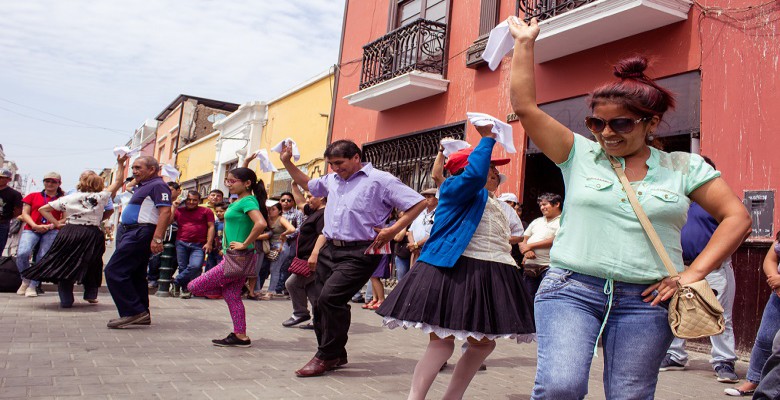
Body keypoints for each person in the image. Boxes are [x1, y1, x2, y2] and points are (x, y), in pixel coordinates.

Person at [507, 17, 752, 399]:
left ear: (650, 122)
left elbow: (737, 217)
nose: (607, 133)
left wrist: (694, 273)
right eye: (596, 123)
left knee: (630, 395)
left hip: (647, 300)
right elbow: (525, 107)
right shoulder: (579, 154)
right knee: (560, 386)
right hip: (572, 288)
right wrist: (524, 43)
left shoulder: (683, 167)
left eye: (620, 123)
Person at [377, 126, 535, 400]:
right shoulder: (454, 189)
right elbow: (465, 177)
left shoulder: (498, 203)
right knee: (441, 344)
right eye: (490, 168)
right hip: (456, 270)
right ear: (470, 169)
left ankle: (452, 397)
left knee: (483, 345)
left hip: (492, 273)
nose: (496, 173)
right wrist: (487, 137)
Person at [280, 139, 426, 377]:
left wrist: (393, 229)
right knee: (320, 301)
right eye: (332, 164)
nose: (336, 168)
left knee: (330, 298)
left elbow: (417, 202)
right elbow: (307, 183)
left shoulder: (381, 179)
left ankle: (325, 356)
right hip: (330, 249)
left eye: (340, 162)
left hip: (361, 251)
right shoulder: (332, 181)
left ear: (356, 157)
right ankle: (336, 353)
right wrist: (287, 163)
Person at [660, 158, 739, 384]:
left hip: (712, 269)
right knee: (675, 312)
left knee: (720, 314)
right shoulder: (678, 198)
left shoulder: (718, 200)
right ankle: (676, 356)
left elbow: (738, 229)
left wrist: (719, 258)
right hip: (677, 267)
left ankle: (724, 361)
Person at [23, 156, 127, 308]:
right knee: (93, 262)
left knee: (65, 262)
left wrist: (56, 223)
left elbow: (43, 209)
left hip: (70, 231)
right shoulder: (102, 196)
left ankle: (66, 299)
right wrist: (120, 164)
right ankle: (90, 294)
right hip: (92, 232)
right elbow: (118, 182)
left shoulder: (69, 197)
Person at [187, 168, 267, 347]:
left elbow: (261, 223)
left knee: (194, 286)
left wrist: (244, 244)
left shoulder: (247, 200)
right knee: (232, 296)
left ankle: (234, 295)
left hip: (239, 256)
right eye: (227, 181)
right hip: (234, 256)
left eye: (233, 181)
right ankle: (241, 336)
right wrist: (245, 162)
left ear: (246, 183)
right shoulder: (240, 199)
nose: (229, 184)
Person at [104, 156, 172, 329]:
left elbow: (165, 212)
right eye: (133, 168)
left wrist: (158, 238)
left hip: (140, 232)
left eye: (138, 168)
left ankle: (133, 312)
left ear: (151, 169)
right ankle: (141, 312)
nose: (134, 171)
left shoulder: (158, 185)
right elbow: (126, 185)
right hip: (132, 231)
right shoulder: (144, 185)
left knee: (114, 270)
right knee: (135, 273)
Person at [724, 231, 780, 396]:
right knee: (765, 338)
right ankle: (753, 380)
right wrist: (774, 278)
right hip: (777, 294)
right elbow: (771, 258)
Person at [282, 191, 327, 327]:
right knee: (313, 290)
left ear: (322, 197)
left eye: (310, 196)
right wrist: (294, 185)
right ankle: (319, 319)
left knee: (292, 283)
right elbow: (301, 203)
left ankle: (300, 313)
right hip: (306, 258)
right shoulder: (314, 211)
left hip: (312, 259)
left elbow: (322, 234)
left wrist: (314, 254)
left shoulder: (324, 214)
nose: (307, 200)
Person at [16, 172, 64, 297]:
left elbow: (65, 217)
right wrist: (34, 225)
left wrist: (52, 225)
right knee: (22, 253)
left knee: (42, 257)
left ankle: (33, 284)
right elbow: (25, 213)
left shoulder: (63, 199)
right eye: (47, 181)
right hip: (32, 228)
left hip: (51, 229)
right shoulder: (33, 196)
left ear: (59, 184)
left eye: (53, 181)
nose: (50, 184)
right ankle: (25, 279)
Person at [170, 190, 215, 299]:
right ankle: (185, 289)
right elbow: (169, 221)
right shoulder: (179, 211)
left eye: (194, 200)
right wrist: (174, 207)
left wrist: (209, 242)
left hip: (199, 244)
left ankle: (176, 281)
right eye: (189, 199)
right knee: (182, 267)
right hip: (181, 242)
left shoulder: (206, 211)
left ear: (199, 200)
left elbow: (211, 227)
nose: (191, 202)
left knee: (196, 266)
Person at [519, 193, 562, 297]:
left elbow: (556, 239)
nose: (542, 208)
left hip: (548, 267)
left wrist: (531, 246)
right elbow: (522, 239)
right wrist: (526, 251)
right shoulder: (536, 221)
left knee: (545, 297)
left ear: (557, 204)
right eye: (540, 205)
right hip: (530, 267)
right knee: (528, 298)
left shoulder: (563, 221)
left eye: (545, 204)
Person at [147, 181, 181, 289]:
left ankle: (166, 278)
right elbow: (168, 220)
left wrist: (174, 207)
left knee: (173, 258)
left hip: (175, 235)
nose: (168, 192)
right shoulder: (160, 201)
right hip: (160, 233)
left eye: (171, 189)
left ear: (179, 191)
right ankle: (152, 278)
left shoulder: (184, 204)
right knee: (155, 256)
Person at [407, 188, 437, 265]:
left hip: (428, 251)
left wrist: (416, 245)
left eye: (429, 197)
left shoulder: (439, 214)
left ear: (437, 198)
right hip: (415, 251)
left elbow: (433, 234)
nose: (426, 199)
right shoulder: (420, 212)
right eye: (425, 197)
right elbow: (410, 231)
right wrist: (413, 244)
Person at [0, 168, 23, 256]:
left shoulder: (15, 194)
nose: (0, 179)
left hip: (2, 224)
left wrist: (6, 217)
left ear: (9, 179)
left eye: (3, 178)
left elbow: (18, 211)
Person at [205, 202, 228, 272]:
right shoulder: (214, 223)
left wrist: (224, 249)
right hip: (213, 250)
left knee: (220, 271)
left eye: (221, 211)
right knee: (209, 270)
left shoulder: (229, 224)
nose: (218, 213)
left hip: (222, 251)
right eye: (216, 211)